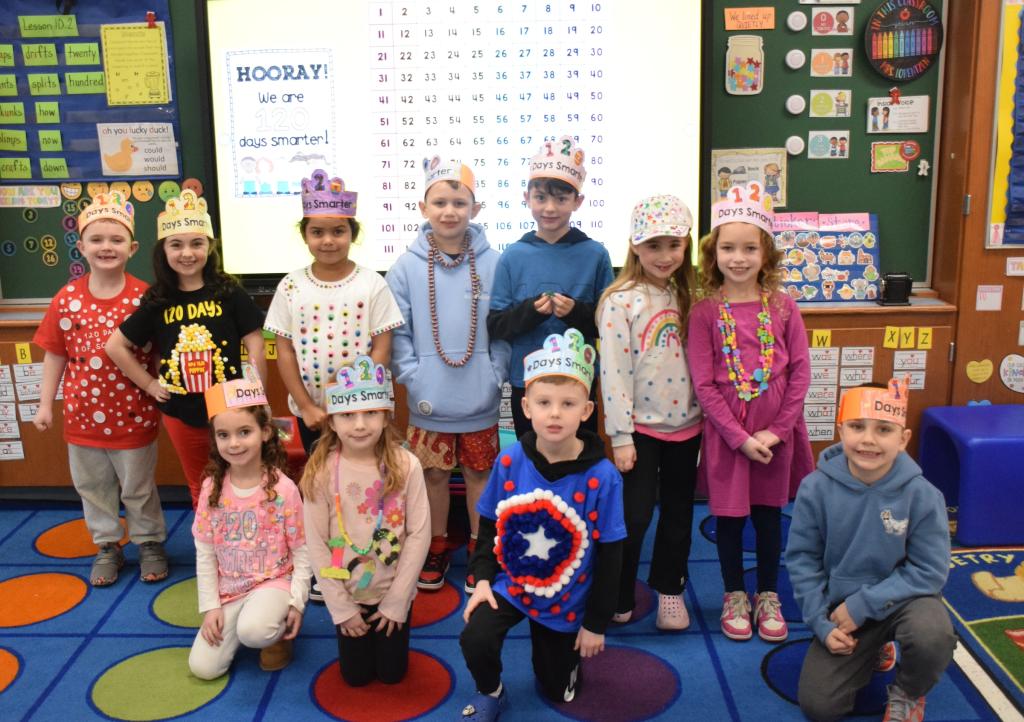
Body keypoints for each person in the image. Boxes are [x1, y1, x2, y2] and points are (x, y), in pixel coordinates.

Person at [459, 329, 625, 720]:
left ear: (586, 411)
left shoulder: (603, 477)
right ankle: (491, 690)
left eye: (568, 404)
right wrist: (482, 578)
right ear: (526, 406)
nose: (554, 413)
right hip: (512, 584)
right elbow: (489, 523)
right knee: (475, 637)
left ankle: (561, 663)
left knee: (555, 688)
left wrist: (596, 623)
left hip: (567, 598)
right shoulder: (510, 460)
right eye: (544, 402)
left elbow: (612, 553)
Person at [687, 182, 813, 643]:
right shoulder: (703, 312)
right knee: (730, 518)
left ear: (766, 254)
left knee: (767, 517)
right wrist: (739, 437)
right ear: (712, 252)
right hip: (728, 437)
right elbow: (704, 383)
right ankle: (734, 593)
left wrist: (778, 432)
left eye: (748, 248)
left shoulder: (783, 307)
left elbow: (799, 374)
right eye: (727, 248)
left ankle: (767, 593)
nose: (737, 258)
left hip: (777, 435)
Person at [786, 379, 955, 722]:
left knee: (932, 633)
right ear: (841, 430)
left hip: (904, 602)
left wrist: (865, 605)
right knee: (820, 707)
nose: (868, 439)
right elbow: (803, 561)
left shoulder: (922, 495)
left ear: (903, 438)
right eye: (857, 427)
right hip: (842, 612)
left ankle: (908, 692)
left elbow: (930, 571)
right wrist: (820, 623)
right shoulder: (815, 488)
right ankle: (873, 648)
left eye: (883, 429)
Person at [386, 157, 510, 593]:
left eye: (460, 202)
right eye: (439, 201)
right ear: (423, 207)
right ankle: (436, 543)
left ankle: (481, 546)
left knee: (480, 472)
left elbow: (502, 327)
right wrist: (412, 376)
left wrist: (496, 372)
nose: (449, 211)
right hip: (429, 397)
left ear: (475, 209)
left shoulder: (496, 263)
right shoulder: (405, 266)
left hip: (480, 394)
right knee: (433, 475)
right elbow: (399, 330)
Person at [32, 192, 167, 586]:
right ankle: (107, 544)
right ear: (82, 246)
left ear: (132, 247)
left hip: (134, 416)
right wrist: (45, 405)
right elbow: (55, 355)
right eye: (97, 239)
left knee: (139, 488)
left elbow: (158, 353)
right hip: (81, 418)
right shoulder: (67, 298)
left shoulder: (146, 298)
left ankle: (149, 542)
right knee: (93, 488)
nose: (106, 247)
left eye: (116, 239)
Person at [106, 189, 265, 509]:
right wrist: (149, 384)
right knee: (201, 484)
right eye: (176, 244)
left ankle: (246, 550)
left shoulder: (228, 291)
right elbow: (115, 346)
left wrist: (256, 392)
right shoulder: (158, 300)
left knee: (244, 478)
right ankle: (210, 553)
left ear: (210, 247)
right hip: (181, 411)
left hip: (232, 407)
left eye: (197, 243)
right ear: (163, 250)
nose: (187, 253)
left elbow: (254, 339)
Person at [597, 196, 703, 630]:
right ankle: (620, 592)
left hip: (689, 426)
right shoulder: (620, 300)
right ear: (634, 247)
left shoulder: (692, 295)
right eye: (653, 245)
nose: (665, 256)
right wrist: (620, 436)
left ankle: (670, 590)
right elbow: (615, 372)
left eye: (674, 245)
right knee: (634, 517)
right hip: (639, 430)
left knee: (679, 514)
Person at [301, 356, 430, 686]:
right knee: (355, 678)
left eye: (370, 412)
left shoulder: (407, 466)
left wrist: (399, 600)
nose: (359, 424)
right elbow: (315, 542)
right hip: (347, 591)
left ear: (387, 416)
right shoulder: (321, 472)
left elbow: (418, 534)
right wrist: (341, 608)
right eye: (347, 415)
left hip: (392, 591)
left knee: (392, 676)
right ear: (331, 422)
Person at [265, 169, 404, 455]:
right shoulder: (291, 286)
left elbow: (382, 349)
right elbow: (285, 351)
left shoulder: (372, 283)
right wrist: (306, 406)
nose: (328, 240)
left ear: (352, 233)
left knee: (366, 478)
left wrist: (350, 400)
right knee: (323, 480)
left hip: (363, 410)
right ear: (304, 235)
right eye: (317, 232)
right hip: (312, 414)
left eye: (338, 231)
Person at [487, 135, 613, 438]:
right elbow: (496, 325)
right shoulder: (513, 256)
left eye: (561, 198)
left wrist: (576, 312)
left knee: (579, 460)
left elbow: (609, 325)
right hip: (527, 382)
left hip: (579, 381)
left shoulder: (595, 254)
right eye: (541, 198)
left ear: (578, 201)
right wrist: (530, 312)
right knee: (531, 459)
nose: (550, 208)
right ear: (526, 197)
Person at [188, 378, 310, 679]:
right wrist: (211, 607)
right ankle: (246, 620)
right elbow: (205, 552)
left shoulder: (283, 489)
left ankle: (274, 631)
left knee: (255, 631)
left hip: (273, 581)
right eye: (224, 435)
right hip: (230, 590)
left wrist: (297, 602)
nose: (234, 443)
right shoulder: (210, 488)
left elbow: (302, 550)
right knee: (203, 669)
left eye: (245, 432)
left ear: (265, 432)